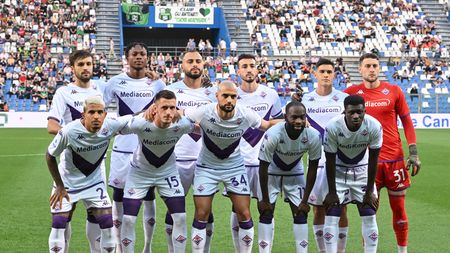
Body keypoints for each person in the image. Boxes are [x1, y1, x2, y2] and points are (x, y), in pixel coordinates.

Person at [186, 81, 281, 253]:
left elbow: (266, 125)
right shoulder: (205, 111)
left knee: (244, 214)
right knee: (201, 214)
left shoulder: (245, 114)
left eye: (233, 96)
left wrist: (292, 121)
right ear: (217, 96)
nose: (229, 100)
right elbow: (181, 116)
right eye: (225, 96)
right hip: (207, 167)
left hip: (234, 168)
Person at [345, 53, 421, 253]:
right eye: (368, 66)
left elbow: (406, 121)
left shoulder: (394, 91)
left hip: (394, 160)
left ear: (380, 68)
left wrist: (413, 152)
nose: (372, 69)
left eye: (375, 66)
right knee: (369, 214)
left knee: (399, 211)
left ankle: (402, 251)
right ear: (360, 69)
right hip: (366, 164)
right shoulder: (350, 94)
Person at [99, 42, 165, 253]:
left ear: (148, 58)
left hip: (149, 147)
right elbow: (100, 107)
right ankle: (119, 246)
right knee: (118, 195)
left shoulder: (157, 84)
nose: (139, 57)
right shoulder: (115, 82)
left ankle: (147, 246)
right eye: (134, 54)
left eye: (143, 54)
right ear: (126, 58)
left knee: (148, 195)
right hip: (122, 148)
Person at [47, 95, 131, 253]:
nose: (96, 116)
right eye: (92, 112)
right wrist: (59, 185)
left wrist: (150, 111)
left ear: (105, 115)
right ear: (83, 115)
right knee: (59, 222)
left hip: (94, 183)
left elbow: (131, 118)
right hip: (67, 183)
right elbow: (50, 155)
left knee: (107, 223)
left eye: (100, 112)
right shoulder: (69, 131)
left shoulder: (110, 125)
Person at [120, 90, 197, 253]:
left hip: (168, 173)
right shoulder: (140, 122)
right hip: (139, 174)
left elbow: (202, 127)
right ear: (155, 108)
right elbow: (117, 128)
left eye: (172, 108)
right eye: (164, 108)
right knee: (127, 220)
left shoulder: (182, 124)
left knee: (181, 218)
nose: (169, 112)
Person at [47, 50, 104, 253]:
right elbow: (52, 125)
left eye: (89, 63)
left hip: (96, 165)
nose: (86, 68)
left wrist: (150, 76)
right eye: (81, 64)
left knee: (97, 215)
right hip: (71, 163)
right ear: (73, 68)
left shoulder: (100, 88)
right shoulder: (64, 92)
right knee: (65, 214)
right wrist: (76, 136)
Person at [165, 50, 217, 253]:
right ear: (182, 65)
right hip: (176, 158)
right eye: (190, 61)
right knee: (174, 209)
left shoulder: (213, 94)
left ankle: (205, 250)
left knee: (205, 210)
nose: (194, 64)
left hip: (206, 159)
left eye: (198, 61)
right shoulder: (171, 91)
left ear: (203, 65)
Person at [230, 54, 283, 253]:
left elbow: (279, 123)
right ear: (238, 71)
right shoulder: (231, 95)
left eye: (252, 65)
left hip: (265, 163)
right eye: (244, 66)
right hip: (238, 163)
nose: (249, 69)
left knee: (267, 209)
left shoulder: (270, 94)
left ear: (257, 68)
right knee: (238, 210)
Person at [258, 101, 321, 253]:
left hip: (295, 173)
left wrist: (305, 200)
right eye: (294, 117)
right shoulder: (273, 134)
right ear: (286, 117)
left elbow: (312, 168)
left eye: (302, 117)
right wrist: (265, 199)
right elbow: (263, 167)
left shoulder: (313, 135)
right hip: (271, 172)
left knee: (301, 212)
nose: (298, 121)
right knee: (266, 212)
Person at [323, 95, 383, 253]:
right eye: (351, 113)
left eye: (359, 112)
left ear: (364, 111)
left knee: (369, 214)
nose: (356, 116)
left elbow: (373, 160)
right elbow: (329, 160)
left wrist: (370, 191)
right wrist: (331, 191)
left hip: (362, 169)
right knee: (331, 215)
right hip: (337, 169)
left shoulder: (374, 126)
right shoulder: (333, 126)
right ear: (345, 112)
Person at [302, 58, 349, 253]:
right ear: (315, 74)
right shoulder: (306, 100)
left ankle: (340, 250)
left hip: (340, 162)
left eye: (330, 72)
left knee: (342, 208)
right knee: (318, 208)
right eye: (322, 71)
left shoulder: (343, 98)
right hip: (317, 162)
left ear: (335, 75)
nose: (326, 75)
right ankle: (323, 250)